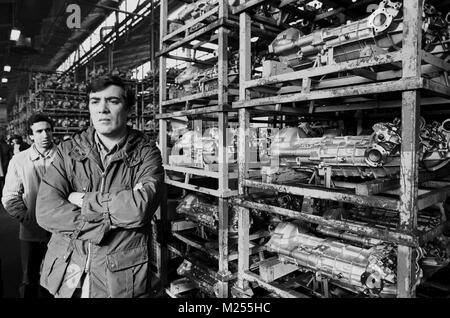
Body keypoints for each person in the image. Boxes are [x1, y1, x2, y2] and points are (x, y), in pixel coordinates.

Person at [36, 75, 164, 298]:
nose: (102, 109)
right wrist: (106, 225)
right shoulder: (68, 151)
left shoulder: (146, 154)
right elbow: (46, 211)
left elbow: (139, 209)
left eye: (113, 101)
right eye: (95, 101)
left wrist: (83, 200)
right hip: (69, 275)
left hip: (118, 279)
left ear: (128, 108)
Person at [2, 114, 57, 298]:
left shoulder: (65, 158)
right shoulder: (19, 161)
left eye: (48, 130)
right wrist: (27, 218)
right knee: (29, 279)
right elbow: (10, 196)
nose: (45, 135)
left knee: (57, 278)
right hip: (31, 231)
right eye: (39, 131)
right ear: (31, 136)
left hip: (60, 232)